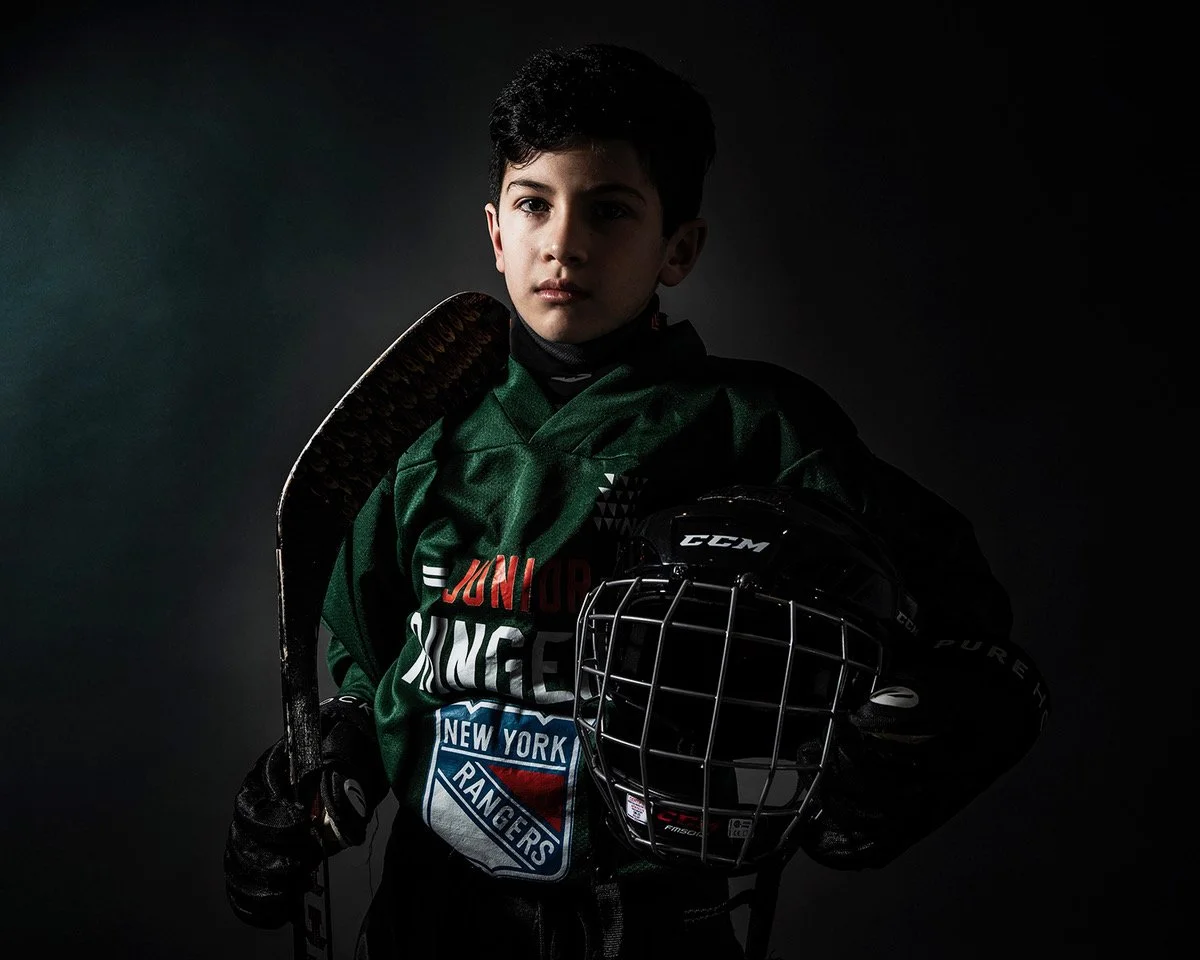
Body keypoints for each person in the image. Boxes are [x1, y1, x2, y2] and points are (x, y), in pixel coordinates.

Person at [224, 43, 1049, 959]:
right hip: (434, 911)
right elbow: (373, 663)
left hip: (646, 923)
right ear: (496, 230)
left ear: (679, 248)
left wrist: (933, 722)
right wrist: (326, 766)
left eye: (610, 211)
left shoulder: (752, 429)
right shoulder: (418, 436)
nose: (564, 242)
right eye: (535, 204)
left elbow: (953, 625)